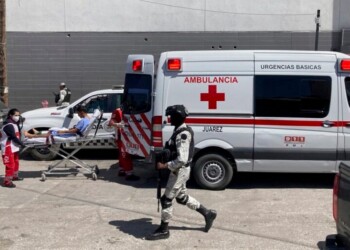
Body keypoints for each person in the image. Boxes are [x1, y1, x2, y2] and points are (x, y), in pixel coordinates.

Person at [146, 105, 217, 241]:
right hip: (179, 170)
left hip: (179, 171)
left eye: (171, 116)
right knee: (182, 197)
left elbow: (182, 159)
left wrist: (165, 165)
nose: (169, 118)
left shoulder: (183, 134)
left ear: (177, 117)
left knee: (166, 199)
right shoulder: (178, 130)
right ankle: (207, 213)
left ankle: (164, 230)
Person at [108, 108, 139, 181]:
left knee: (122, 154)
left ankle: (122, 170)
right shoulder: (118, 111)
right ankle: (129, 174)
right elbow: (111, 122)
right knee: (125, 154)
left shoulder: (127, 110)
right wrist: (117, 124)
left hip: (125, 135)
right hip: (121, 136)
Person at [24, 105, 90, 139]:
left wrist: (64, 131)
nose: (78, 115)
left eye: (78, 113)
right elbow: (77, 130)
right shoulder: (88, 119)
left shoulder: (83, 121)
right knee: (52, 130)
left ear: (82, 112)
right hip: (73, 133)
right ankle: (38, 133)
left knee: (50, 134)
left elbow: (75, 131)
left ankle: (31, 135)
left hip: (71, 134)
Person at [1, 108, 26, 188]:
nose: (18, 117)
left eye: (18, 115)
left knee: (16, 162)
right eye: (16, 115)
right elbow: (13, 137)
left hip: (14, 146)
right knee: (10, 164)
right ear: (11, 115)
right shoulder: (8, 125)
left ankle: (14, 176)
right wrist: (22, 144)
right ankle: (7, 182)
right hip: (8, 147)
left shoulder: (15, 124)